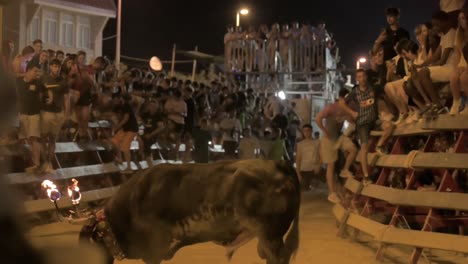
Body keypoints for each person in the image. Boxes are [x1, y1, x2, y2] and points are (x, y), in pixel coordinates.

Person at [316, 89, 358, 203]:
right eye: (347, 99)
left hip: (339, 137)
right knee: (331, 165)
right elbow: (318, 118)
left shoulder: (348, 108)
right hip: (328, 139)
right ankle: (332, 193)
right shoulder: (331, 107)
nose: (348, 101)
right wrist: (324, 131)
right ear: (341, 98)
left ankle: (345, 169)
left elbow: (351, 119)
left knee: (353, 149)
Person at [416, 11, 458, 115]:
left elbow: (443, 60)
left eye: (437, 24)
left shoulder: (452, 33)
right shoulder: (445, 35)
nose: (435, 28)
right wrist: (420, 65)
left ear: (444, 22)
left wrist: (426, 68)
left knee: (423, 73)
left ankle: (437, 104)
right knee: (419, 73)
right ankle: (430, 103)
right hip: (444, 67)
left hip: (450, 68)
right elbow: (435, 56)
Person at [341, 70, 379, 185]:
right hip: (362, 123)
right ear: (356, 79)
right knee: (364, 148)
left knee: (389, 126)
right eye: (359, 77)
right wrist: (352, 113)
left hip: (375, 120)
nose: (361, 78)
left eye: (363, 76)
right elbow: (342, 103)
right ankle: (366, 176)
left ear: (366, 77)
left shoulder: (373, 88)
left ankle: (381, 146)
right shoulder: (354, 92)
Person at [40, 59, 70, 173]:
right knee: (43, 138)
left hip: (58, 113)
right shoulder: (44, 78)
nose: (56, 69)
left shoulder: (63, 81)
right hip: (46, 112)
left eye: (58, 67)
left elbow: (67, 99)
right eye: (54, 66)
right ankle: (44, 162)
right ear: (50, 67)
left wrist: (66, 114)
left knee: (52, 139)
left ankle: (49, 162)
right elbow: (39, 93)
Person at [17, 63, 44, 173]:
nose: (37, 74)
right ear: (28, 71)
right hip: (21, 114)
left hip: (34, 114)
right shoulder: (18, 81)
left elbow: (42, 97)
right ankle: (25, 162)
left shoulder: (38, 83)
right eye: (35, 71)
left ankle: (36, 163)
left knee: (34, 138)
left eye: (38, 72)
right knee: (22, 139)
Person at [111, 93, 139, 174]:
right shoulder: (121, 107)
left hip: (132, 129)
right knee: (114, 140)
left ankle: (129, 167)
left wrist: (117, 127)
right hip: (125, 128)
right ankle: (120, 158)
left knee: (125, 146)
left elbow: (125, 119)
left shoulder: (127, 106)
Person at [295, 124, 321, 191]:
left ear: (311, 131)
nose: (306, 133)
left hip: (314, 168)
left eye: (308, 131)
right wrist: (298, 173)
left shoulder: (317, 142)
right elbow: (298, 159)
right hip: (304, 169)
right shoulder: (300, 144)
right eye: (304, 131)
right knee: (303, 188)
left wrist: (319, 165)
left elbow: (321, 156)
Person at [164, 88, 187, 160]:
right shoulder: (169, 102)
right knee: (168, 135)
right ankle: (171, 152)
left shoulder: (183, 103)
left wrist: (179, 113)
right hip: (171, 120)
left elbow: (185, 114)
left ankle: (174, 154)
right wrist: (171, 112)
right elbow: (165, 111)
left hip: (180, 122)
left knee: (177, 139)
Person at [140, 99, 164, 167]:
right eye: (150, 105)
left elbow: (161, 127)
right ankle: (145, 159)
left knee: (147, 144)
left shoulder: (158, 116)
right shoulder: (145, 115)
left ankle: (150, 164)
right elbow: (140, 121)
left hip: (154, 135)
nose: (152, 107)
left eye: (154, 106)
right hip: (145, 134)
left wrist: (151, 134)